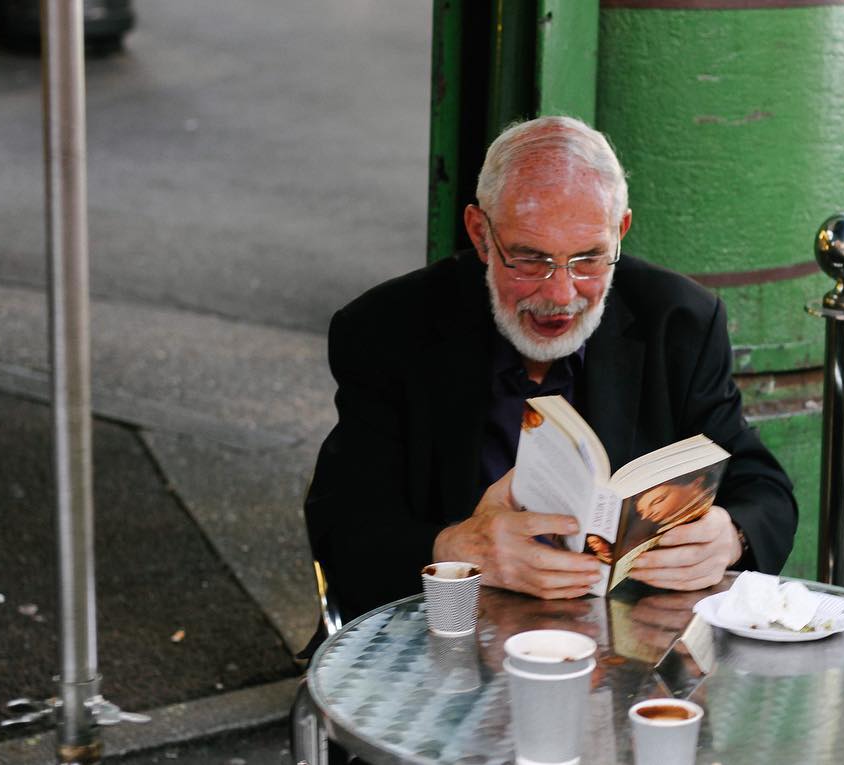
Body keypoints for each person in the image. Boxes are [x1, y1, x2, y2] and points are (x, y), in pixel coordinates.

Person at [304, 116, 797, 623]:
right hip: (443, 639)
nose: (561, 295)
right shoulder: (388, 329)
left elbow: (763, 488)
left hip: (619, 647)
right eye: (530, 260)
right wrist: (453, 548)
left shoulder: (679, 322)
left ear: (620, 231)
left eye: (589, 259)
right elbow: (341, 527)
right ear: (480, 234)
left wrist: (730, 534)